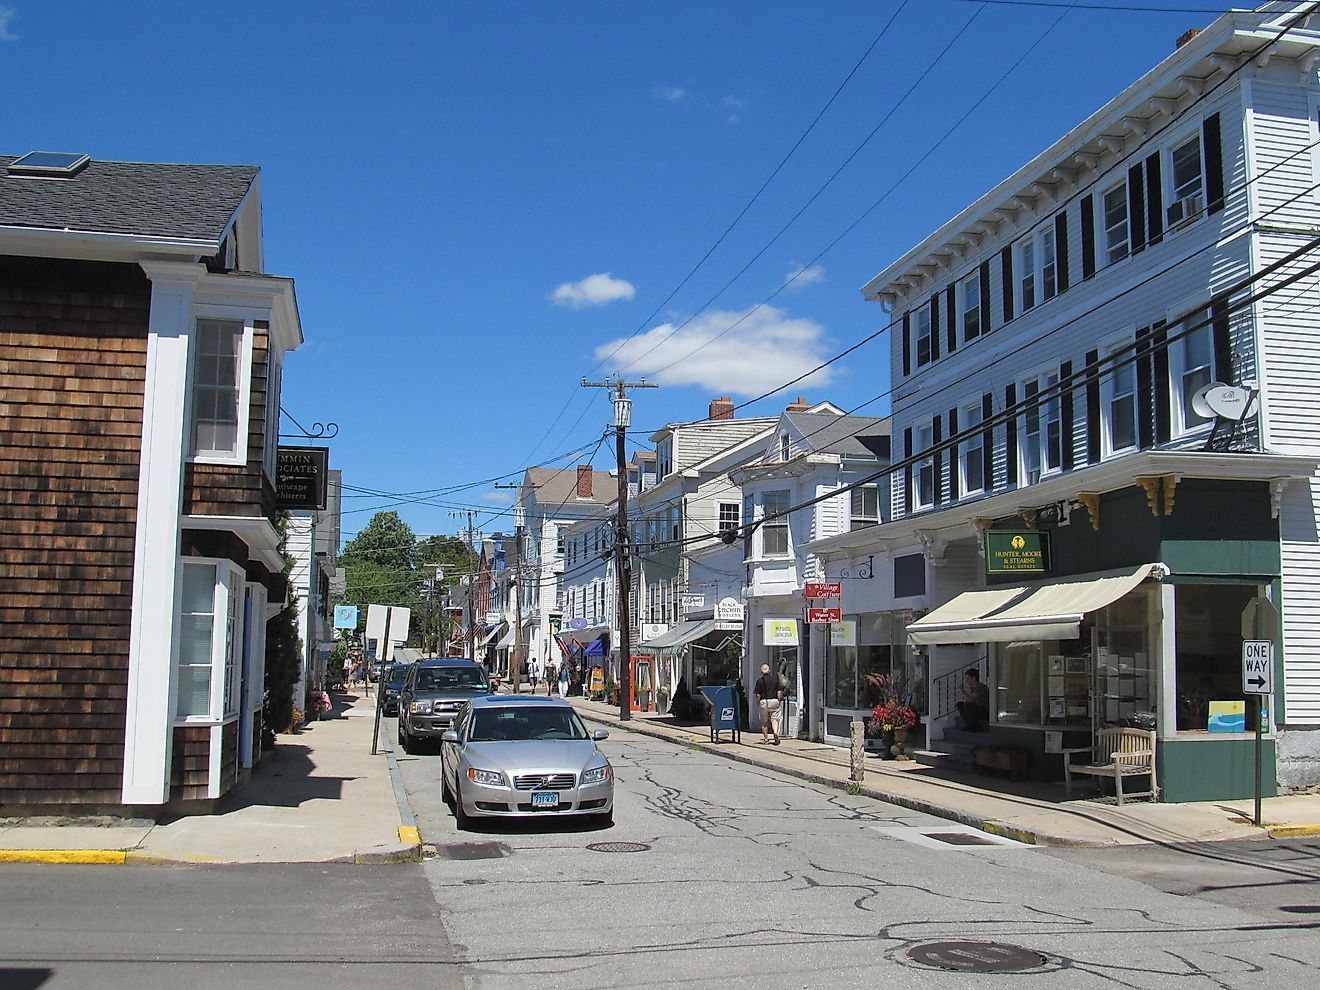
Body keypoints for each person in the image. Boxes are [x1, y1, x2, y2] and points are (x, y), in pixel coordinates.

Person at [754, 662, 783, 745]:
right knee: (774, 719)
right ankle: (775, 732)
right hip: (774, 701)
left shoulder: (759, 681)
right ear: (769, 670)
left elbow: (758, 694)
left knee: (764, 722)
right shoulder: (775, 680)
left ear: (761, 672)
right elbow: (779, 691)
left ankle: (766, 739)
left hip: (764, 702)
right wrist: (778, 700)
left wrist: (758, 703)